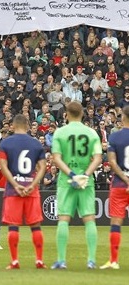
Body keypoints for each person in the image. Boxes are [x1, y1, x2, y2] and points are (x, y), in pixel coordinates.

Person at [51, 101, 103, 269]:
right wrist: (85, 175)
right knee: (89, 219)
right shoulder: (91, 133)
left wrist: (72, 175)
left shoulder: (60, 132)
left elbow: (56, 158)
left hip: (66, 181)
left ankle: (61, 260)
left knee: (64, 219)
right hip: (86, 180)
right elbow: (98, 158)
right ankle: (91, 260)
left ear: (66, 114)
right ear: (82, 114)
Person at [0, 114, 48, 269]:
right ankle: (39, 260)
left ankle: (14, 261)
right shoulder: (36, 144)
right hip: (31, 190)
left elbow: (3, 166)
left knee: (13, 226)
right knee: (35, 225)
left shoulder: (6, 143)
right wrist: (33, 184)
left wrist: (15, 184)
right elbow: (43, 167)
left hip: (13, 190)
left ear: (13, 126)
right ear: (27, 126)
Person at [100, 106, 129, 270]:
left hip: (119, 184)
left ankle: (114, 260)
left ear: (123, 117)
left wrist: (125, 178)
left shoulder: (116, 136)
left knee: (116, 222)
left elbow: (111, 160)